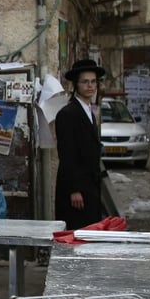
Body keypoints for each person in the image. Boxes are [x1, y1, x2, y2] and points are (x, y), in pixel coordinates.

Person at [54, 58, 106, 229]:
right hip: (76, 191)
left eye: (93, 82)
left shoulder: (89, 111)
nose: (90, 86)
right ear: (76, 84)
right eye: (85, 82)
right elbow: (67, 154)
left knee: (90, 232)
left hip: (90, 186)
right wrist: (74, 190)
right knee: (76, 234)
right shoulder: (68, 113)